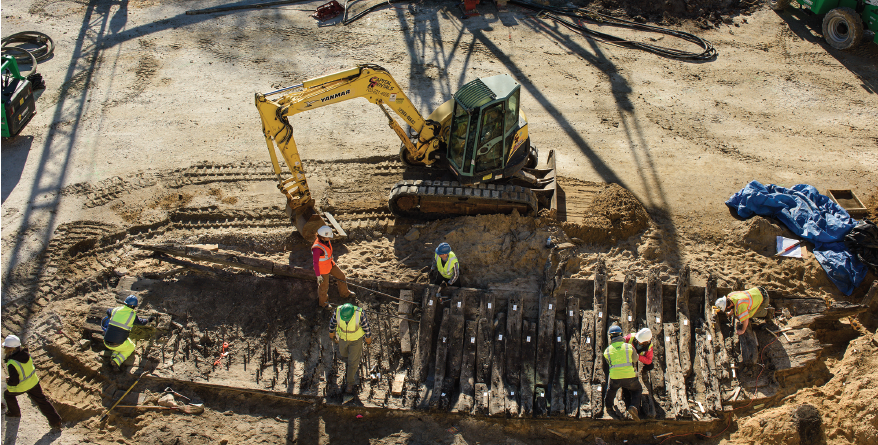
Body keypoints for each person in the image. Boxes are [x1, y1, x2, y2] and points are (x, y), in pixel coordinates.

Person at [3, 335, 63, 430]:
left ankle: (15, 413)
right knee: (42, 400)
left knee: (7, 394)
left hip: (22, 386)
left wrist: (9, 381)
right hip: (33, 382)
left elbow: (14, 382)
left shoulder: (12, 363)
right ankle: (56, 421)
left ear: (9, 348)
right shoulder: (26, 354)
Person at [328, 303, 372, 393]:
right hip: (343, 338)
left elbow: (366, 328)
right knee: (343, 354)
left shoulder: (360, 313)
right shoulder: (338, 311)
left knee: (352, 362)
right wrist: (331, 334)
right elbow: (332, 323)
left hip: (356, 340)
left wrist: (368, 339)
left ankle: (350, 383)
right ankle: (351, 365)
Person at [102, 295, 154, 371]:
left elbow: (108, 311)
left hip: (106, 342)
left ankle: (113, 355)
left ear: (125, 303)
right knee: (131, 346)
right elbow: (142, 322)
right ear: (134, 306)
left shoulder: (116, 310)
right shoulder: (132, 315)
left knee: (125, 341)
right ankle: (116, 361)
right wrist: (148, 320)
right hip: (117, 344)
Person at [603, 324, 642, 421]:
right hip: (629, 377)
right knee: (637, 390)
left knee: (611, 390)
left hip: (615, 377)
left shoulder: (607, 351)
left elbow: (609, 363)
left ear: (611, 337)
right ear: (621, 335)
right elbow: (635, 359)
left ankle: (608, 407)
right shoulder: (628, 347)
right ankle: (633, 406)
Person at [313, 225, 355, 308]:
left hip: (330, 264)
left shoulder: (326, 241)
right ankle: (323, 304)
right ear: (323, 236)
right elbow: (315, 263)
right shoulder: (317, 249)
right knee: (323, 287)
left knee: (341, 276)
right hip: (322, 270)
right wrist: (318, 275)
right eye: (328, 236)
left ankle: (345, 294)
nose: (330, 238)